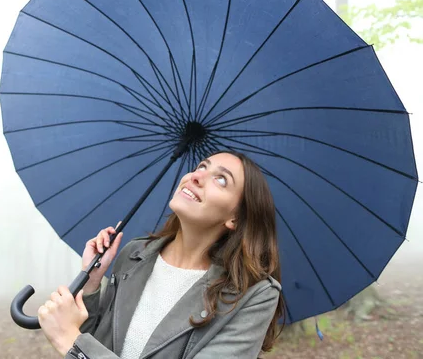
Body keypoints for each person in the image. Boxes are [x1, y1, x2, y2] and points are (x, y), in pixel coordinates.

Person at [37, 151, 285, 358]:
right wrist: (91, 282)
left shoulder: (253, 295)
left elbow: (77, 343)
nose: (197, 176)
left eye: (221, 180)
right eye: (201, 166)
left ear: (235, 218)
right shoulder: (134, 255)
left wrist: (72, 342)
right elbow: (96, 339)